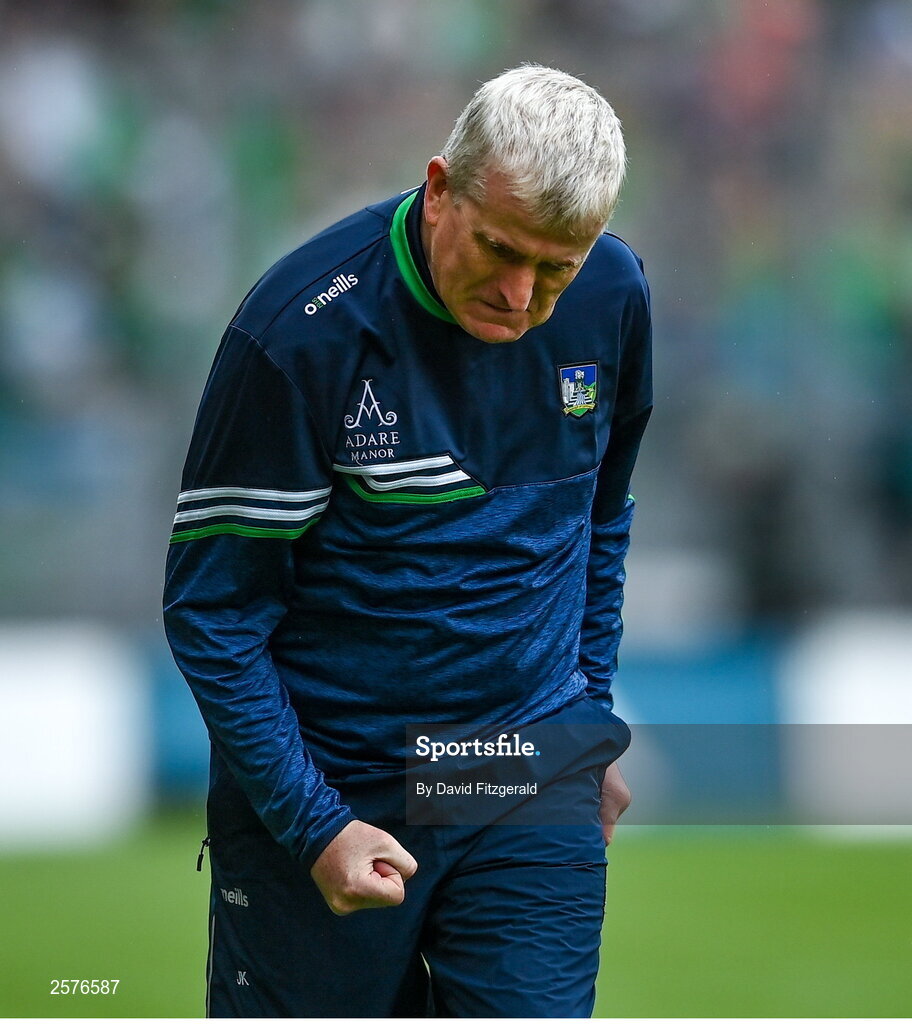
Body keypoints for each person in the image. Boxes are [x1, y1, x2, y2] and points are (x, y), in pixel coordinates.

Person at [164, 64, 652, 1017]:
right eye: (502, 250)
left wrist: (587, 717)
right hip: (331, 783)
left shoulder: (615, 298)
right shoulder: (299, 334)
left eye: (557, 267)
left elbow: (601, 519)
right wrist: (314, 825)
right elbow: (212, 611)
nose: (522, 297)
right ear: (439, 189)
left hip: (525, 762)